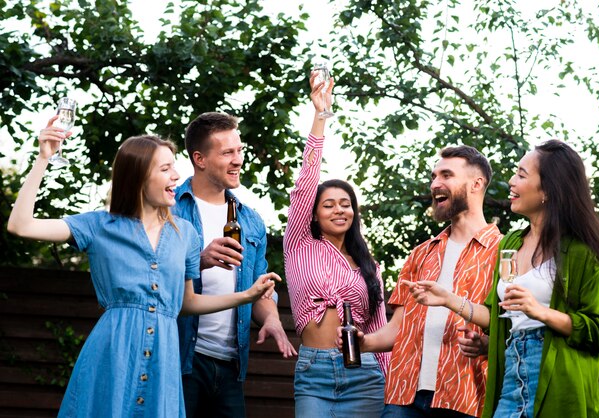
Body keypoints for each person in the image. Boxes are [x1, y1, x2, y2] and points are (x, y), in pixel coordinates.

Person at [6, 118, 277, 417]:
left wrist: (247, 296)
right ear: (138, 177)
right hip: (113, 354)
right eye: (165, 169)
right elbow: (21, 225)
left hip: (165, 360)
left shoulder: (184, 234)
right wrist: (43, 159)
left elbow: (186, 303)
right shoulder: (99, 226)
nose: (176, 176)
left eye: (174, 167)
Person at [407, 140, 599, 417]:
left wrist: (541, 312)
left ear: (548, 189)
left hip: (557, 381)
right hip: (510, 375)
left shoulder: (581, 254)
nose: (511, 181)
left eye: (521, 174)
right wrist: (481, 337)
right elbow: (500, 315)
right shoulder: (511, 243)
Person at [337, 144, 502, 418]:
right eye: (434, 176)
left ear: (476, 184)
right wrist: (364, 343)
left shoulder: (503, 253)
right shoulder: (421, 254)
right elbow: (397, 329)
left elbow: (509, 325)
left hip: (465, 397)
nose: (435, 183)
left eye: (446, 175)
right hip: (404, 396)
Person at [174, 111, 297, 418]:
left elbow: (257, 287)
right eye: (227, 152)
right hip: (180, 360)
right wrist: (199, 261)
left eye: (239, 150)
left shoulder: (250, 219)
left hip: (230, 365)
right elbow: (151, 275)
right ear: (200, 159)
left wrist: (270, 317)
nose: (238, 159)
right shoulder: (169, 208)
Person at [283, 71, 390, 418]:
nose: (339, 210)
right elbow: (306, 182)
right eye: (328, 204)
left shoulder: (367, 265)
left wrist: (391, 384)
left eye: (345, 204)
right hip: (314, 373)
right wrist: (320, 117)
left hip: (366, 375)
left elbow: (378, 325)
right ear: (312, 214)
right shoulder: (300, 243)